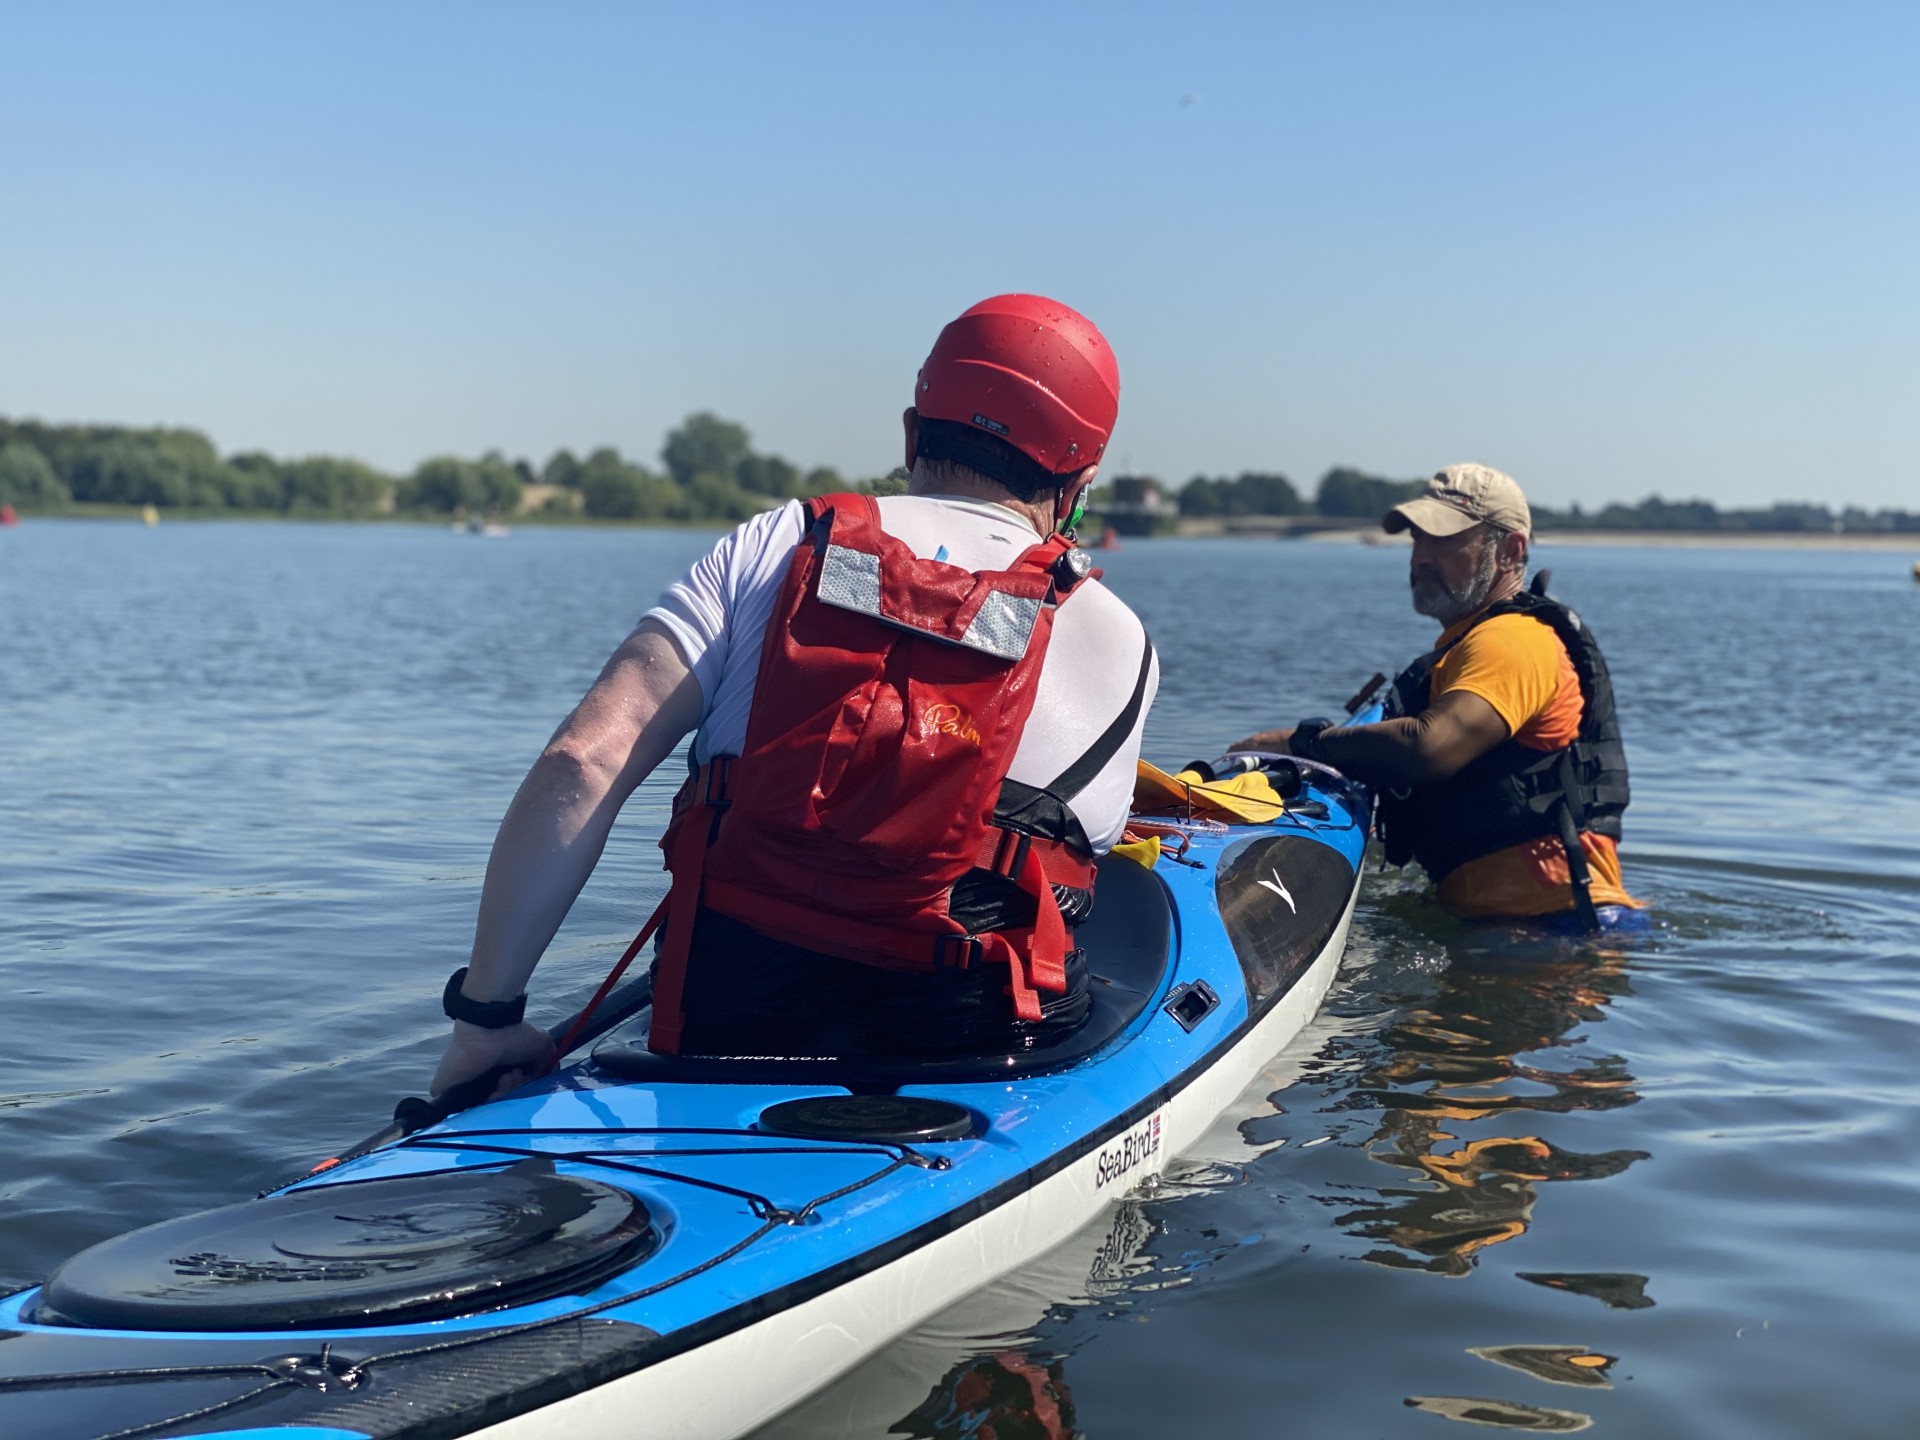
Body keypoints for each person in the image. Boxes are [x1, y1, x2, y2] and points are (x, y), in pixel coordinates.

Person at [432, 294, 1158, 1097]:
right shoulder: (1121, 639)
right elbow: (1078, 862)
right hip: (986, 1048)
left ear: (913, 432)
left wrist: (485, 1022)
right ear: (1082, 484)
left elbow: (585, 758)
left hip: (723, 1019)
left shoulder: (775, 542)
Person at [1235, 464, 1639, 930]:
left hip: (1553, 932)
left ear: (1511, 550)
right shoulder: (1470, 643)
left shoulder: (1511, 642)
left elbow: (1428, 749)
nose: (1421, 556)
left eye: (1445, 539)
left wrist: (1300, 745)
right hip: (1503, 925)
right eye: (1417, 538)